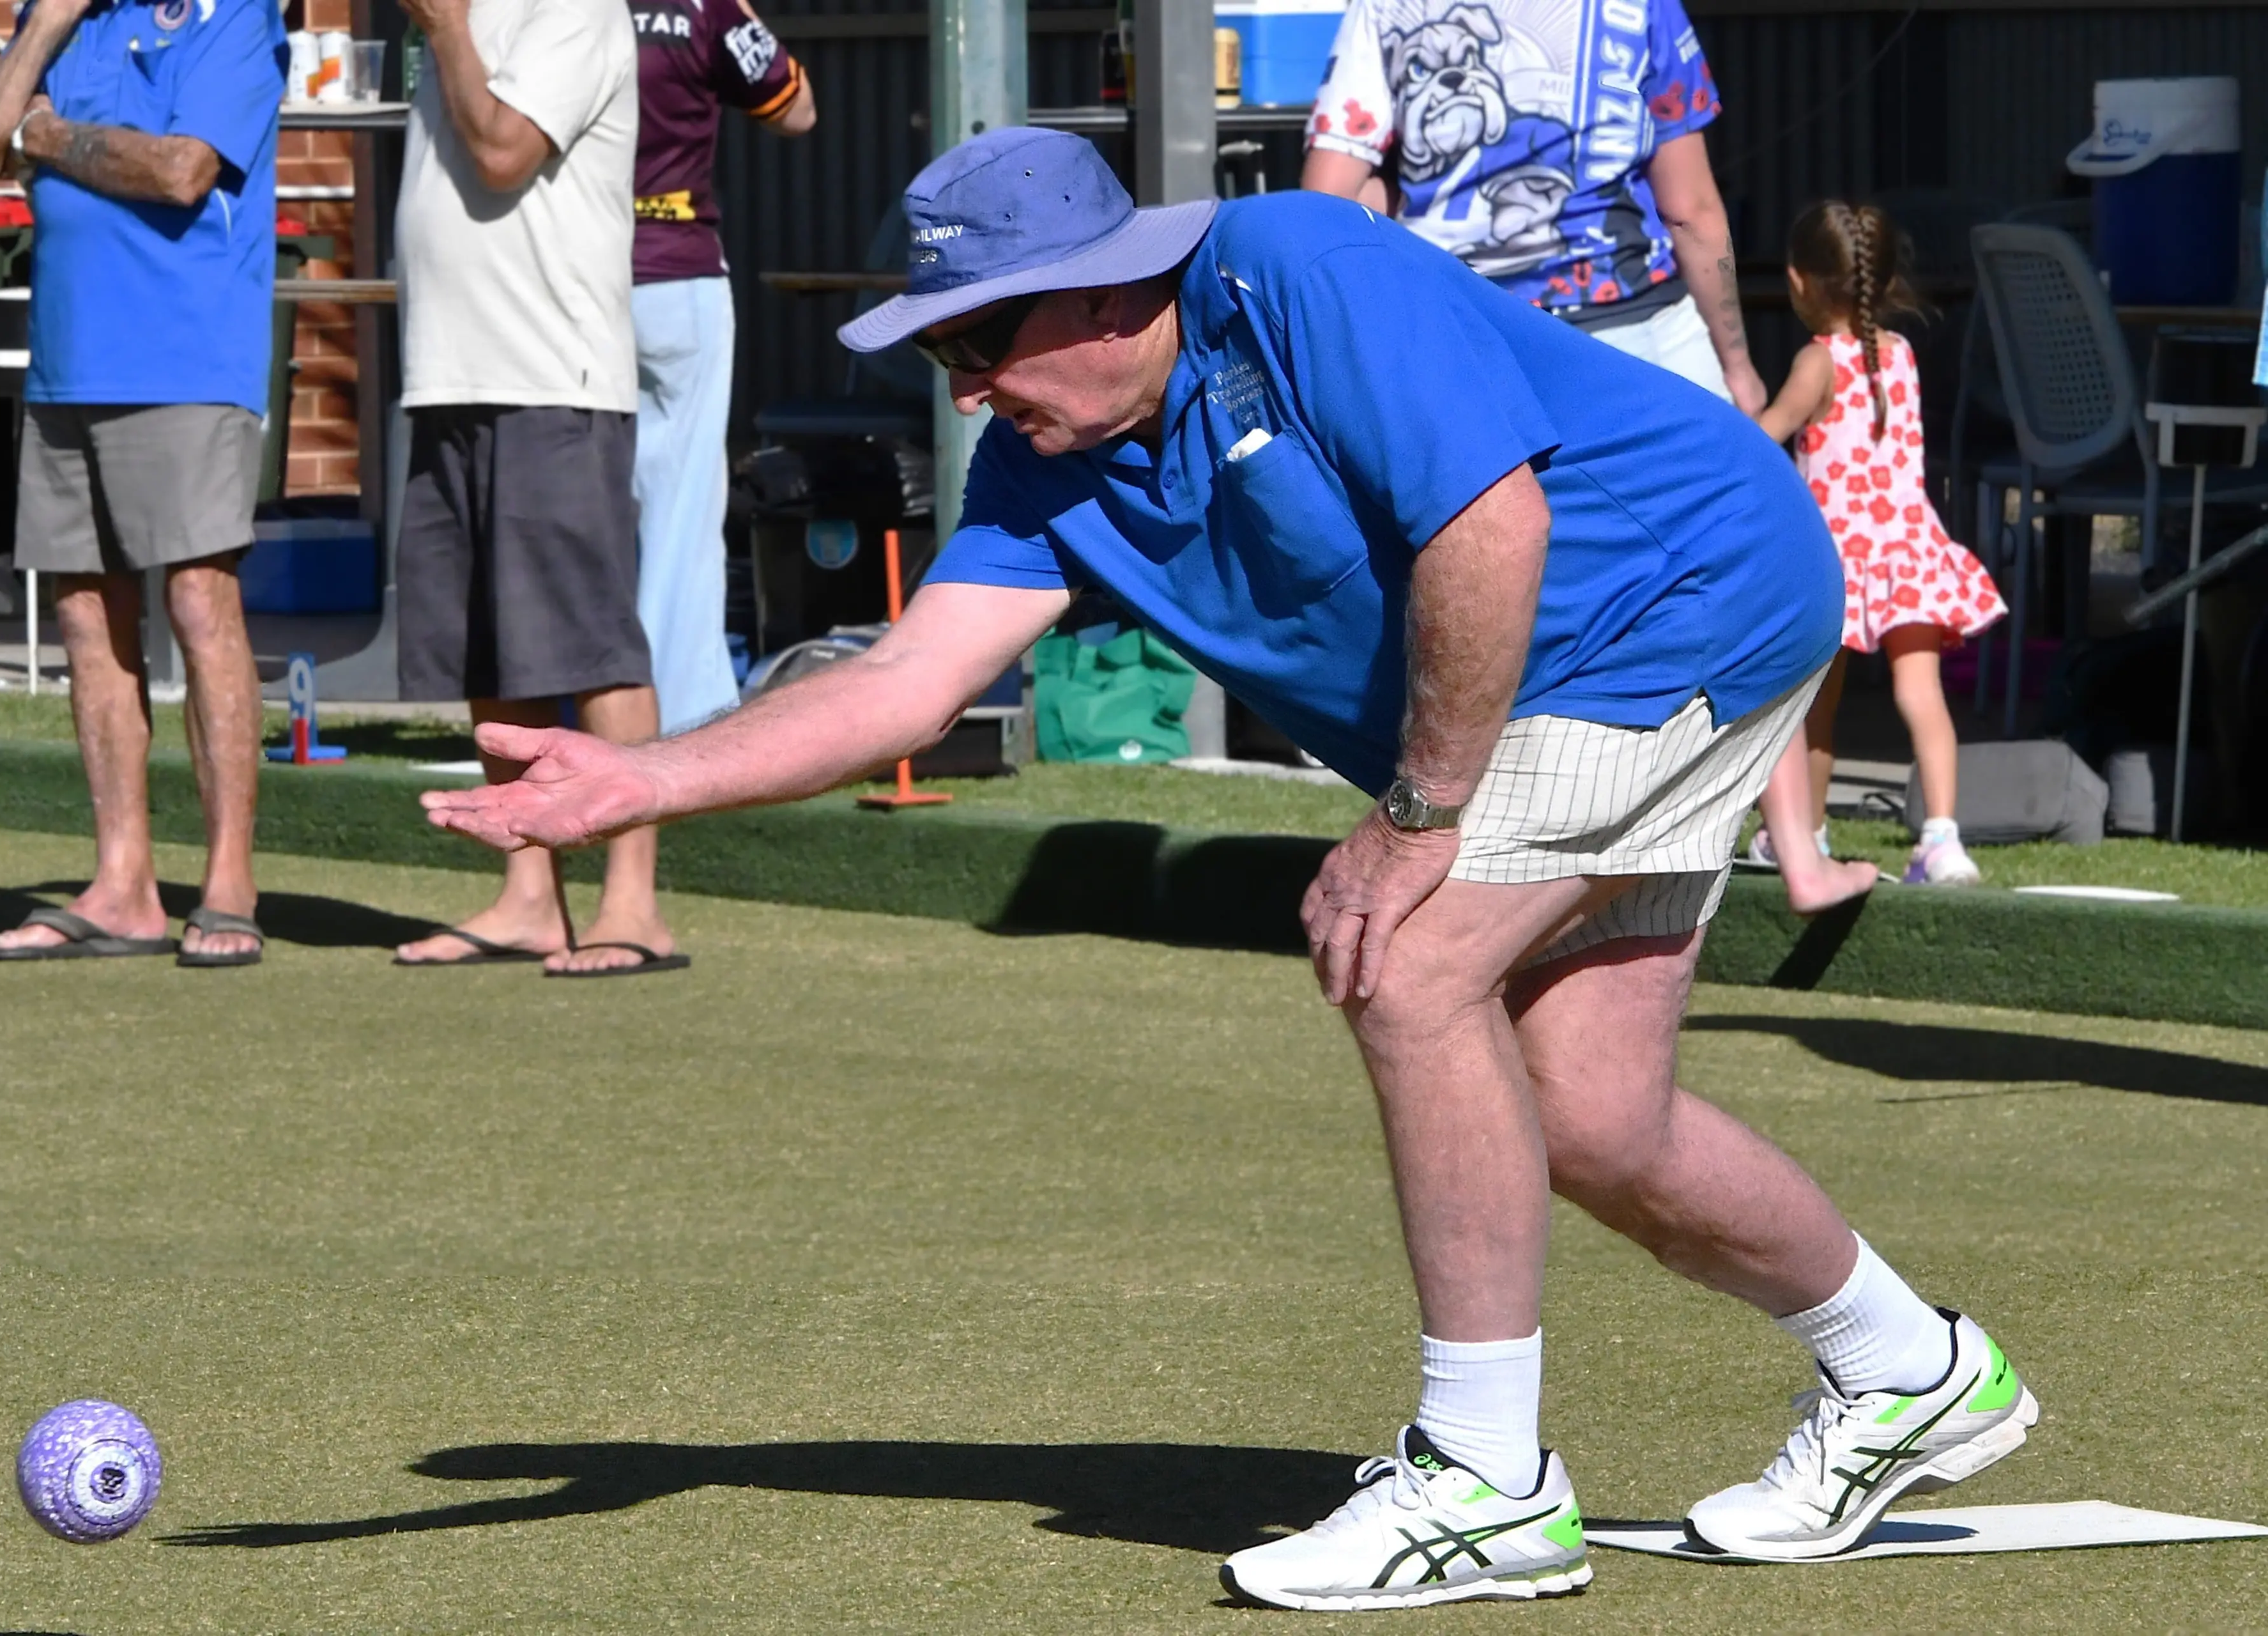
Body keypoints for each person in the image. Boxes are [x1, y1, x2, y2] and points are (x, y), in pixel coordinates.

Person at [421, 130, 2039, 1606]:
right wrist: (641, 778)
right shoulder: (1042, 468)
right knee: (1598, 1117)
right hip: (1594, 650)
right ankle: (1905, 1364)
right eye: (941, 350)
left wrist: (1412, 814)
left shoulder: (1299, 266)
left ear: (1105, 291)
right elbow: (902, 688)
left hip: (1672, 600)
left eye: (980, 337)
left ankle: (1482, 1480)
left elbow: (1492, 526)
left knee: (1405, 961)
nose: (967, 384)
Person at [1299, 0, 1879, 916]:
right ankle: (1797, 854)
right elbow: (1689, 207)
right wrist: (1738, 371)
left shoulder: (1386, 7)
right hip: (1637, 328)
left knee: (1502, 582)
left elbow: (1329, 198)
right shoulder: (1638, 6)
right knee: (1752, 565)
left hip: (1475, 335)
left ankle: (1487, 847)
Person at [0, 0, 287, 968]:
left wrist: (47, 137)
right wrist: (44, 26)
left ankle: (228, 885)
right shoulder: (68, 24)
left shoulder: (232, 18)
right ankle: (124, 883)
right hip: (66, 365)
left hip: (185, 361)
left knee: (198, 603)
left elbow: (180, 171)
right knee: (88, 618)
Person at [388, 0, 688, 978]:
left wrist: (444, 32)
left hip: (555, 379)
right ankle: (529, 896)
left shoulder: (574, 11)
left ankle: (634, 906)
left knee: (592, 644)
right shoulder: (451, 19)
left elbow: (504, 150)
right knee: (493, 652)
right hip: (449, 374)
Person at [1755, 201, 2005, 886]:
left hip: (1836, 563)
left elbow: (1764, 434)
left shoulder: (1817, 362)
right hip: (1909, 551)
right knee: (1922, 695)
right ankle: (1942, 839)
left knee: (1815, 708)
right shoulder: (1901, 355)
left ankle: (1802, 833)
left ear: (1798, 281)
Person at [629, 0, 816, 734]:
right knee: (681, 506)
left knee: (574, 497)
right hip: (675, 269)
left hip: (566, 272)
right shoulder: (701, 6)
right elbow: (795, 107)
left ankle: (573, 701)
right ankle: (678, 715)